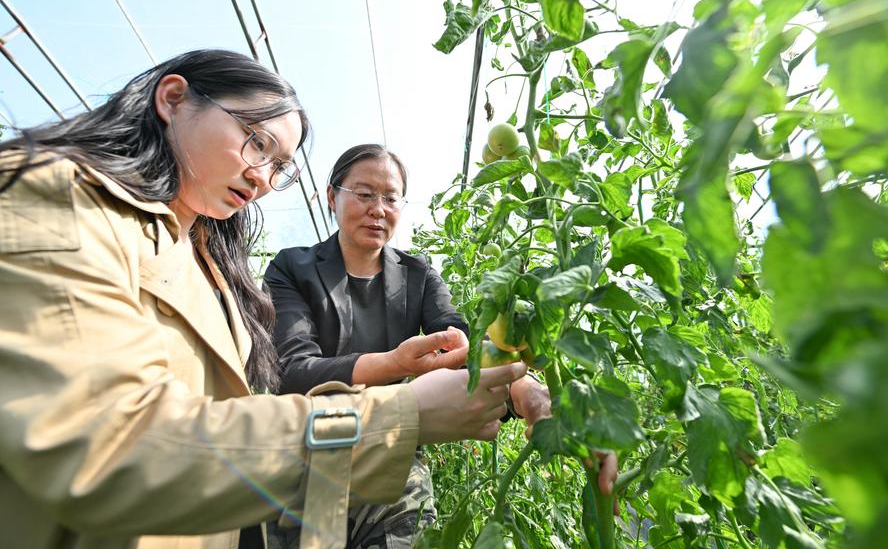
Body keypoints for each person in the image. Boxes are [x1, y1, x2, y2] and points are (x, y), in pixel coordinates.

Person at [0, 49, 527, 549]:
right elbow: (112, 440)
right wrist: (399, 407)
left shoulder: (212, 265)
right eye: (256, 141)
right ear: (173, 98)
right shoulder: (63, 200)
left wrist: (520, 384)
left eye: (278, 167)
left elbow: (460, 337)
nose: (261, 177)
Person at [264, 144, 558, 548]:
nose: (378, 208)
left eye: (390, 198)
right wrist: (392, 363)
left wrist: (519, 385)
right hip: (309, 444)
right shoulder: (292, 268)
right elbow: (290, 372)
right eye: (364, 194)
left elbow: (459, 346)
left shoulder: (418, 275)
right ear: (332, 196)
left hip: (391, 448)